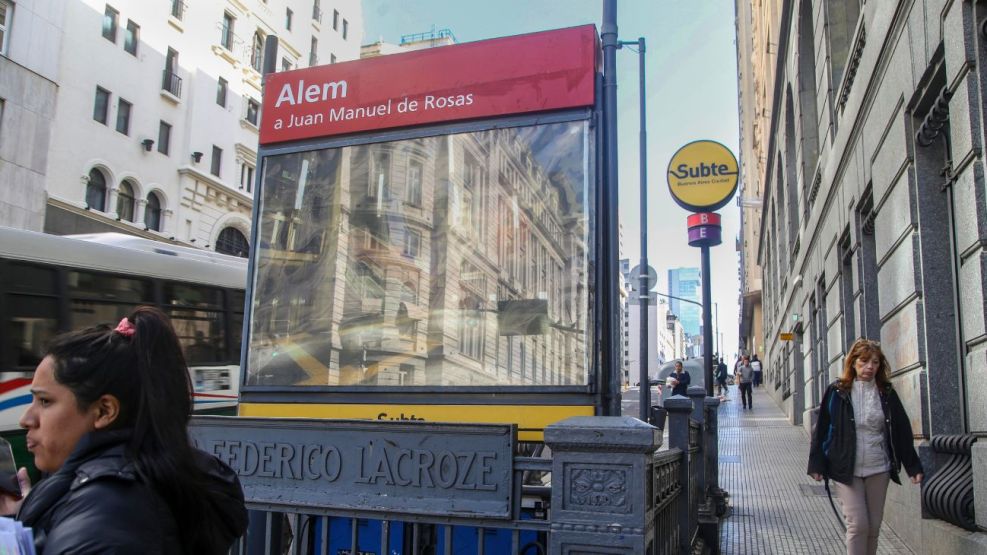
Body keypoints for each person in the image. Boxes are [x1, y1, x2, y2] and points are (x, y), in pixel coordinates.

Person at [0, 307, 248, 553]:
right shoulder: (108, 495)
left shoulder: (110, 513)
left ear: (105, 411)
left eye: (45, 401)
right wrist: (20, 525)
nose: (26, 419)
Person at [807, 339, 924, 555]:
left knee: (873, 527)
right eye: (864, 361)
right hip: (845, 469)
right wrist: (817, 463)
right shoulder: (837, 391)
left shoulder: (885, 393)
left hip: (878, 468)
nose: (870, 367)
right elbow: (821, 428)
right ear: (853, 362)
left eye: (875, 362)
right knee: (858, 524)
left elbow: (901, 430)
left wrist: (913, 465)